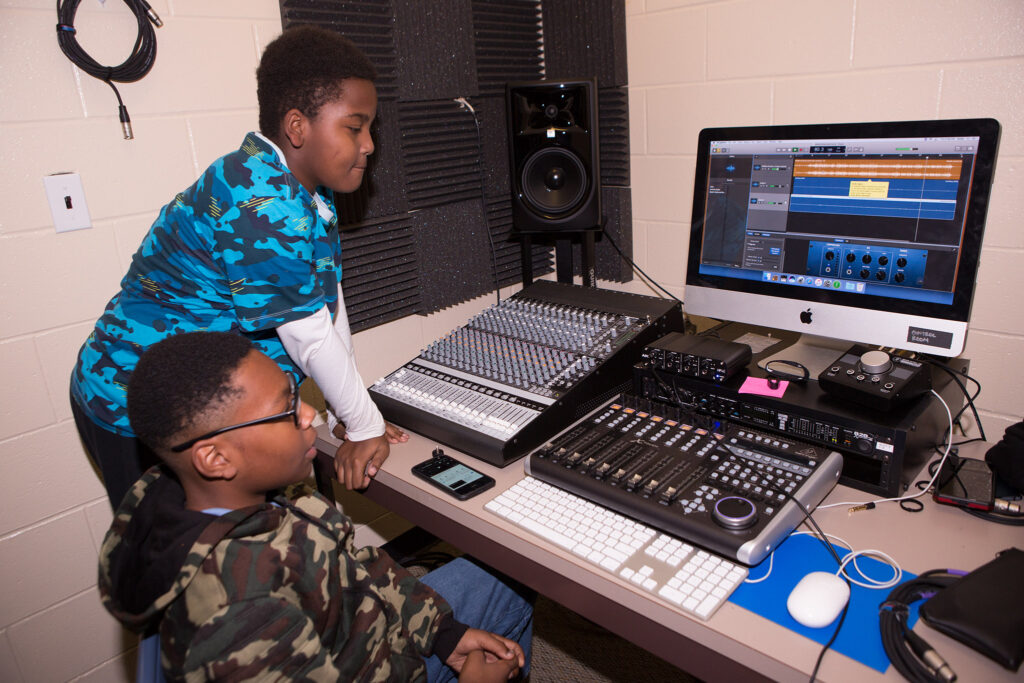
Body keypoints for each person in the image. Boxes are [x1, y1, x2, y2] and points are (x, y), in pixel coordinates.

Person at [70, 25, 406, 508]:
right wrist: (364, 425)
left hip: (211, 402)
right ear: (297, 128)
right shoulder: (260, 200)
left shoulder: (305, 190)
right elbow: (307, 335)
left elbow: (326, 303)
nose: (369, 144)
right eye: (354, 127)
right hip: (137, 404)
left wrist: (350, 413)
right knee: (182, 561)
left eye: (369, 128)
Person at [98, 331, 533, 681]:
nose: (308, 413)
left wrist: (443, 633)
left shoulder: (255, 489)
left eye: (295, 393)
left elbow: (356, 564)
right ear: (216, 458)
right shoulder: (236, 621)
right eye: (284, 409)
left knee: (507, 572)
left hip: (369, 641)